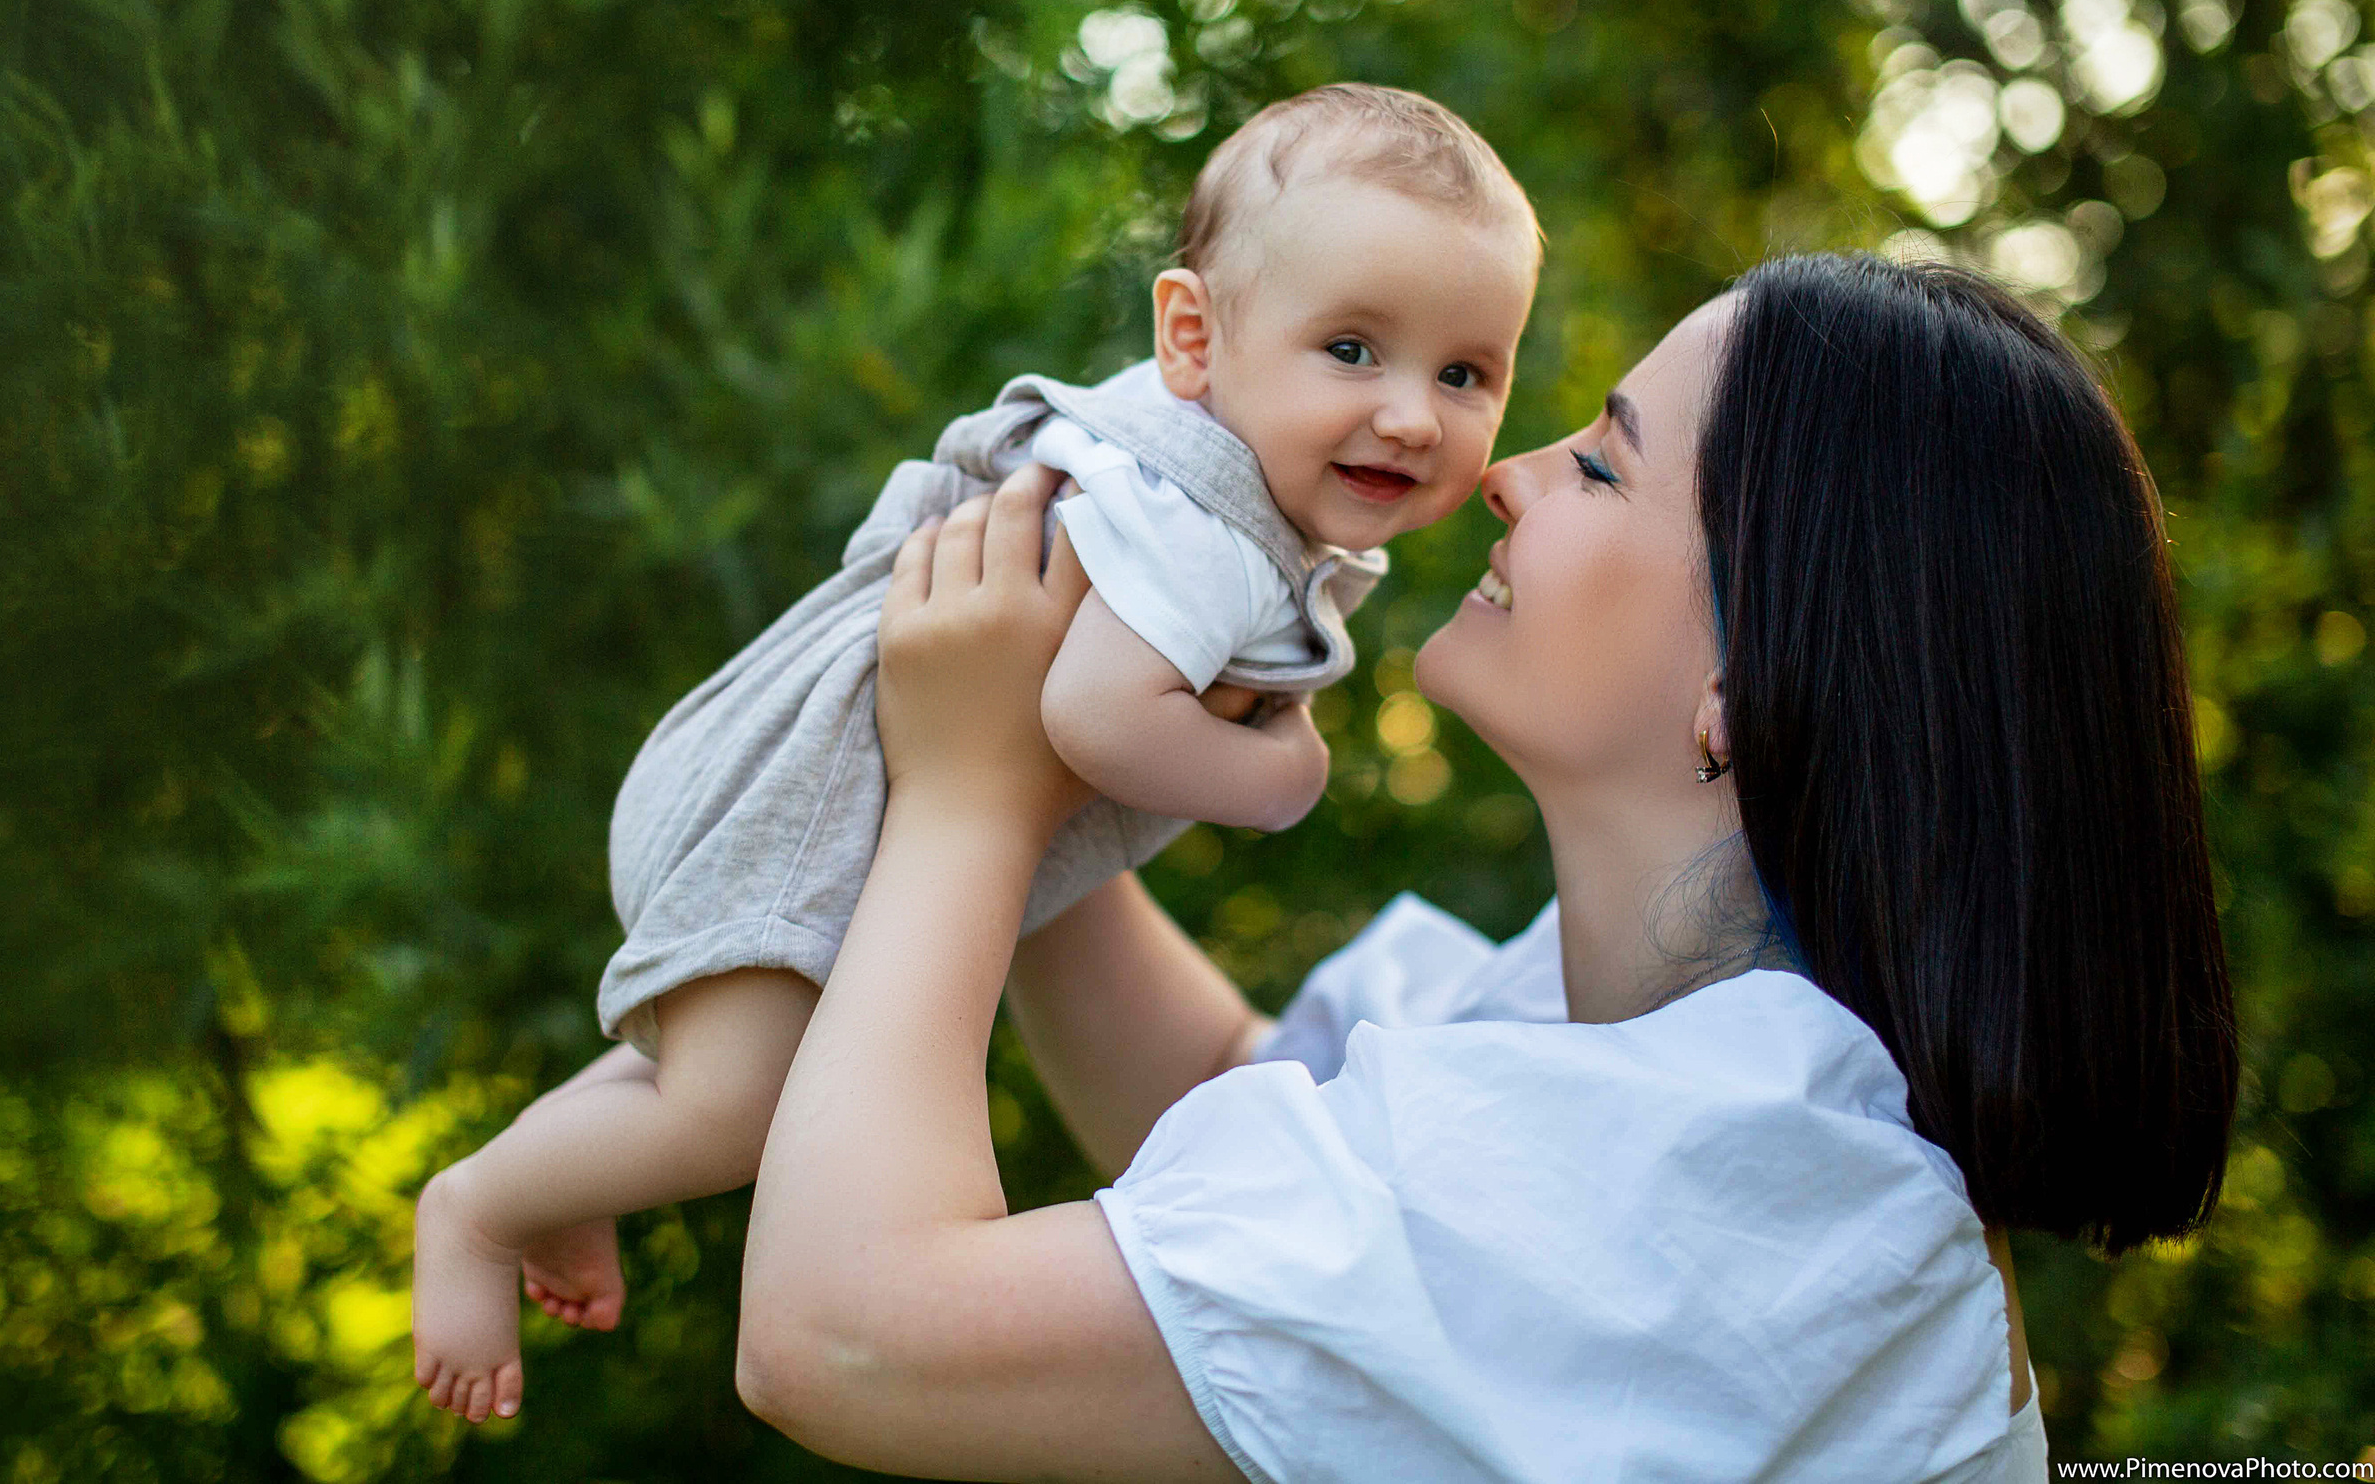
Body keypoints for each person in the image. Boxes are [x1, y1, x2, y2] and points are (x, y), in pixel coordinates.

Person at [735, 254, 2239, 1481]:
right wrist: (1056, 738)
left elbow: (847, 1333)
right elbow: (1226, 1111)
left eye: (1598, 463)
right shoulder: (1653, 1058)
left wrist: (968, 802)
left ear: (1752, 673)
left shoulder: (1724, 1178)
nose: (1507, 474)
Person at [410, 85, 1543, 1420]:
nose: (1413, 414)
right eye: (1353, 349)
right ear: (1193, 334)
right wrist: (1285, 777)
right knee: (738, 1109)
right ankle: (481, 1206)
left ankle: (571, 1179)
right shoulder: (1201, 528)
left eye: (1465, 374)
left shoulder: (1202, 447)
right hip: (801, 805)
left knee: (753, 1053)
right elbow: (1097, 719)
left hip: (808, 790)